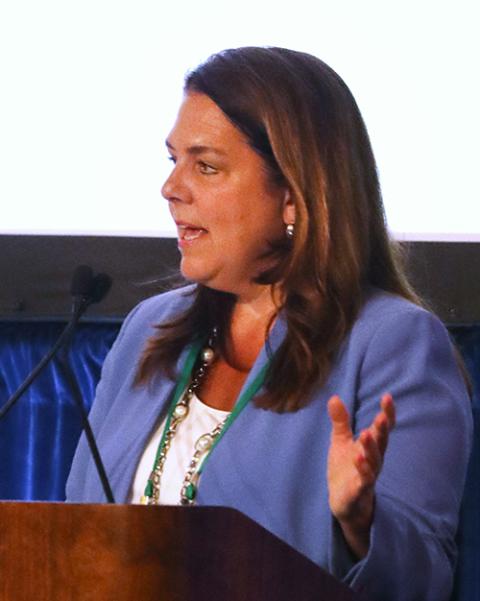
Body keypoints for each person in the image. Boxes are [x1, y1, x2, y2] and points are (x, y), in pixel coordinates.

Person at [66, 47, 472, 600]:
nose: (172, 188)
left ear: (293, 196)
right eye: (173, 160)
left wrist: (359, 523)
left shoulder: (391, 343)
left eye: (206, 166)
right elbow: (72, 531)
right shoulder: (148, 329)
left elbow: (424, 580)